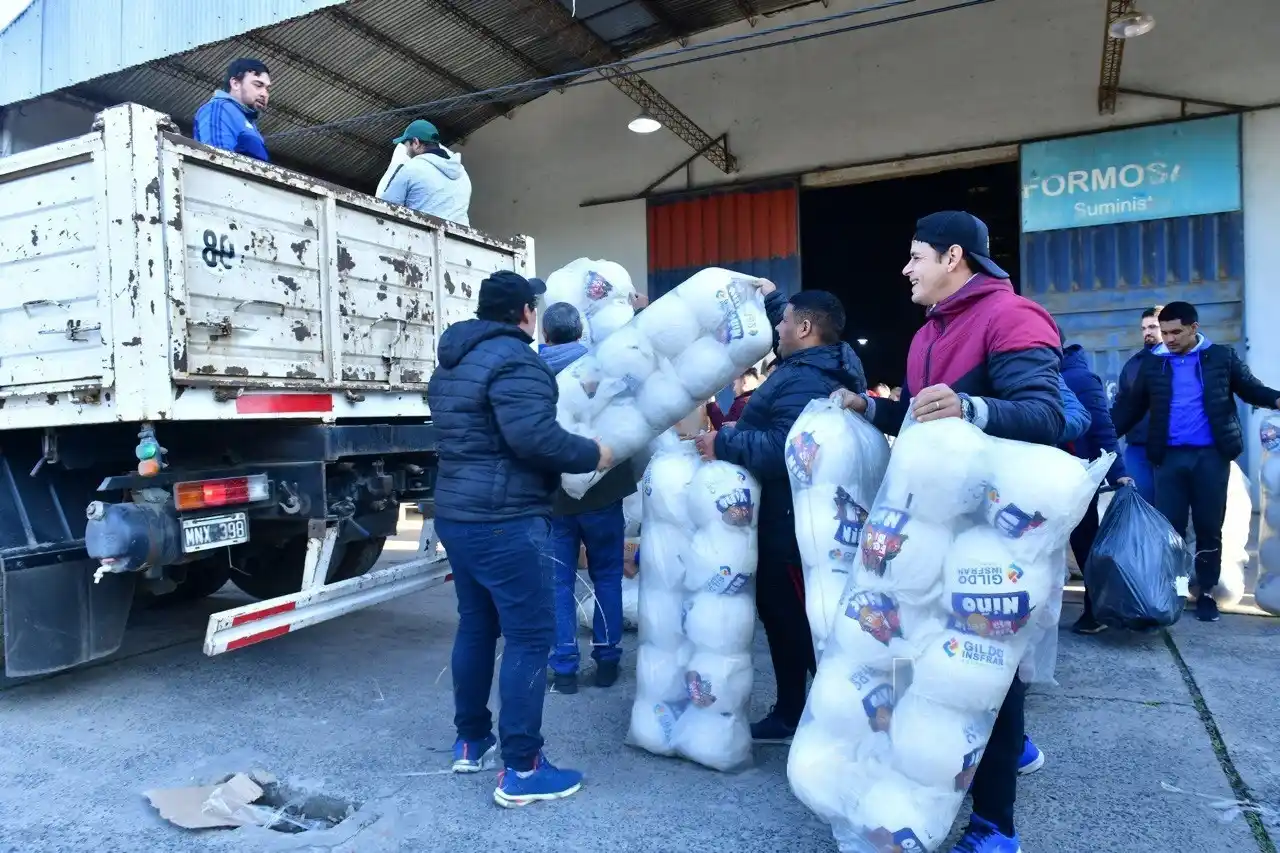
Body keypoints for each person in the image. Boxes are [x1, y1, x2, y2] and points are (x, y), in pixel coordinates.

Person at [834, 211, 1064, 853]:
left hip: (991, 539)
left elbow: (1048, 416)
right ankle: (996, 755)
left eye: (915, 257)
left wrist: (977, 408)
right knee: (926, 661)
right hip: (932, 532)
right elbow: (923, 418)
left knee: (983, 669)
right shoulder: (928, 332)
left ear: (953, 256)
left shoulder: (1012, 317)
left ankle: (995, 827)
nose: (906, 269)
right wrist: (872, 409)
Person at [425, 271, 614, 807]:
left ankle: (471, 739)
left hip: (459, 515)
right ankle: (523, 768)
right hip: (504, 520)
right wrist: (590, 453)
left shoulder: (452, 361)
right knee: (531, 639)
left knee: (477, 625)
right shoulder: (516, 360)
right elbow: (533, 437)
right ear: (526, 312)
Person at [694, 287, 867, 744]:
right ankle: (792, 712)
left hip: (791, 528)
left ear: (806, 329)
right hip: (789, 521)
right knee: (785, 621)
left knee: (803, 628)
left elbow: (786, 450)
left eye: (784, 321)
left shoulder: (807, 379)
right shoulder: (823, 362)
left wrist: (724, 443)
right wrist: (774, 299)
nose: (777, 328)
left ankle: (845, 732)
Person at [1111, 301, 1280, 623]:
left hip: (1211, 458)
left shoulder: (1220, 358)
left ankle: (1204, 593)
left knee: (1208, 528)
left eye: (1176, 332)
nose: (1169, 339)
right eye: (1164, 332)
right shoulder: (1152, 364)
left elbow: (1250, 389)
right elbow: (1129, 409)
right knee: (1171, 531)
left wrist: (1276, 398)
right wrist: (1100, 437)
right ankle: (1175, 591)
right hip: (1169, 459)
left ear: (1194, 328)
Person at [538, 302, 635, 695]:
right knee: (607, 576)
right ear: (581, 333)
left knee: (558, 583)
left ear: (545, 335)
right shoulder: (604, 365)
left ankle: (564, 668)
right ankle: (607, 660)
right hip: (603, 489)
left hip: (552, 496)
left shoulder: (533, 373)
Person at [1059, 333, 1132, 633]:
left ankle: (1096, 610)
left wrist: (1119, 473)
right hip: (1034, 475)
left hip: (1075, 475)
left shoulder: (1081, 378)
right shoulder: (1025, 372)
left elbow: (1103, 429)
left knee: (1084, 540)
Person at [378, 119, 473, 226]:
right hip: (461, 241)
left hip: (418, 238)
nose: (406, 151)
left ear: (416, 143)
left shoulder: (411, 168)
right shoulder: (462, 173)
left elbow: (386, 208)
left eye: (407, 145)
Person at [1113, 306, 1163, 503]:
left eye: (1153, 327)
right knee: (1141, 503)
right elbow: (1121, 405)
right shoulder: (1133, 365)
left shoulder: (1181, 361)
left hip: (1172, 448)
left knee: (1171, 509)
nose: (1147, 332)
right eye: (1144, 328)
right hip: (1138, 448)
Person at [193, 58, 272, 161]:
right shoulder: (220, 108)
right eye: (258, 85)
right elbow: (218, 160)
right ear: (235, 83)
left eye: (267, 89)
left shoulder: (249, 122)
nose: (264, 94)